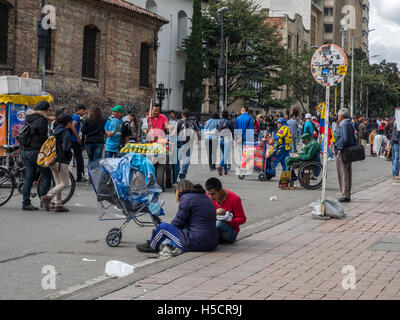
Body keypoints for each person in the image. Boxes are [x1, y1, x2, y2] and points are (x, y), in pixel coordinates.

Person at [136, 180, 218, 253]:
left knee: (163, 228)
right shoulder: (205, 197)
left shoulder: (186, 198)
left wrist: (169, 231)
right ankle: (157, 240)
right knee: (172, 231)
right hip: (212, 242)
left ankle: (152, 246)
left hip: (196, 243)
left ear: (180, 190)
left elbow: (178, 222)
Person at [20, 101, 52, 211]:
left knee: (29, 175)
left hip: (25, 150)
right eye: (49, 109)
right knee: (47, 174)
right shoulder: (42, 119)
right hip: (35, 151)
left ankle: (26, 203)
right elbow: (43, 137)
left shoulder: (28, 117)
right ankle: (44, 201)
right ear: (44, 110)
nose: (49, 112)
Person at [41, 113, 73, 213]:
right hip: (61, 160)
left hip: (52, 159)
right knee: (65, 183)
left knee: (58, 183)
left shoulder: (55, 131)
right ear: (67, 123)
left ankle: (58, 204)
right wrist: (68, 158)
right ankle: (48, 196)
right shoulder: (66, 133)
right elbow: (66, 148)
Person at [205, 178, 246, 244]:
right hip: (214, 229)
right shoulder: (207, 196)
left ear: (220, 190)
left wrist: (227, 221)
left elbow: (242, 219)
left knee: (218, 224)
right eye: (208, 194)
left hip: (230, 233)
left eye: (213, 194)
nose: (210, 197)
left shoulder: (235, 199)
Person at [334, 108, 357, 203]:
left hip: (343, 151)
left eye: (338, 115)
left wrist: (339, 148)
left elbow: (345, 139)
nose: (337, 117)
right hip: (348, 151)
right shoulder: (350, 124)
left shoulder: (344, 124)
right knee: (347, 173)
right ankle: (347, 194)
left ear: (342, 116)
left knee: (343, 173)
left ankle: (345, 195)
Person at [172, 109, 199, 181]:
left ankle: (175, 176)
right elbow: (197, 131)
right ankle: (182, 175)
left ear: (182, 115)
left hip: (180, 141)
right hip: (189, 142)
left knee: (177, 159)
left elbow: (174, 133)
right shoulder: (192, 122)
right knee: (186, 159)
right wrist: (197, 140)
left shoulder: (179, 121)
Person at [70, 105, 87, 182]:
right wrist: (78, 137)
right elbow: (73, 126)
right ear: (79, 110)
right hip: (75, 140)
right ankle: (79, 176)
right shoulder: (76, 117)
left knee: (77, 158)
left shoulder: (73, 116)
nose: (84, 112)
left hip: (73, 139)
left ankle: (79, 175)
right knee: (79, 158)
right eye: (83, 110)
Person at [217, 110, 234, 176]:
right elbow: (232, 130)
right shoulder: (229, 121)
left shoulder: (219, 122)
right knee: (226, 155)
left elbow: (217, 129)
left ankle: (225, 170)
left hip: (220, 138)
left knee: (224, 154)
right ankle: (220, 166)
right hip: (227, 138)